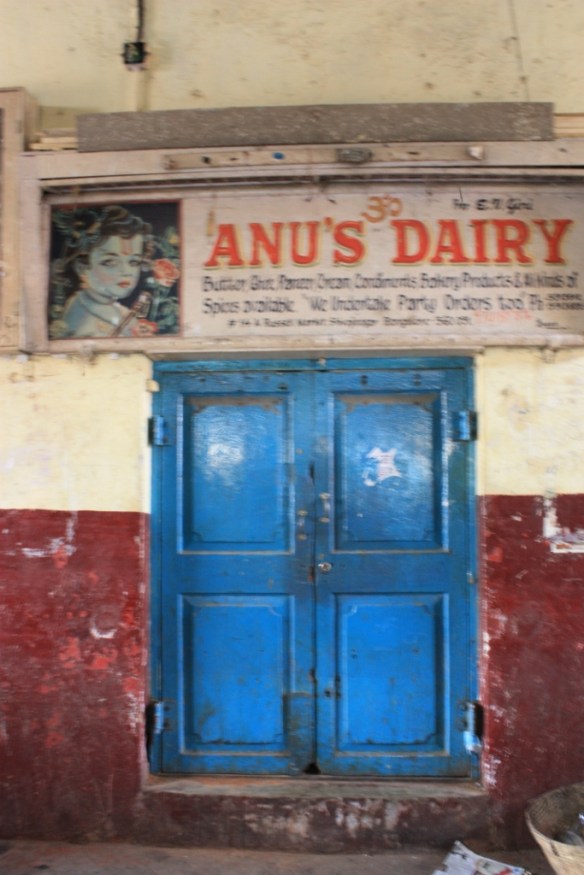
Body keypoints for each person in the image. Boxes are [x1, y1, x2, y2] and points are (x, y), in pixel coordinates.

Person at [49, 205, 157, 339]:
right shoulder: (78, 312)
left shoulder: (119, 309)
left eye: (133, 262)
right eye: (110, 262)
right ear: (82, 267)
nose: (126, 272)